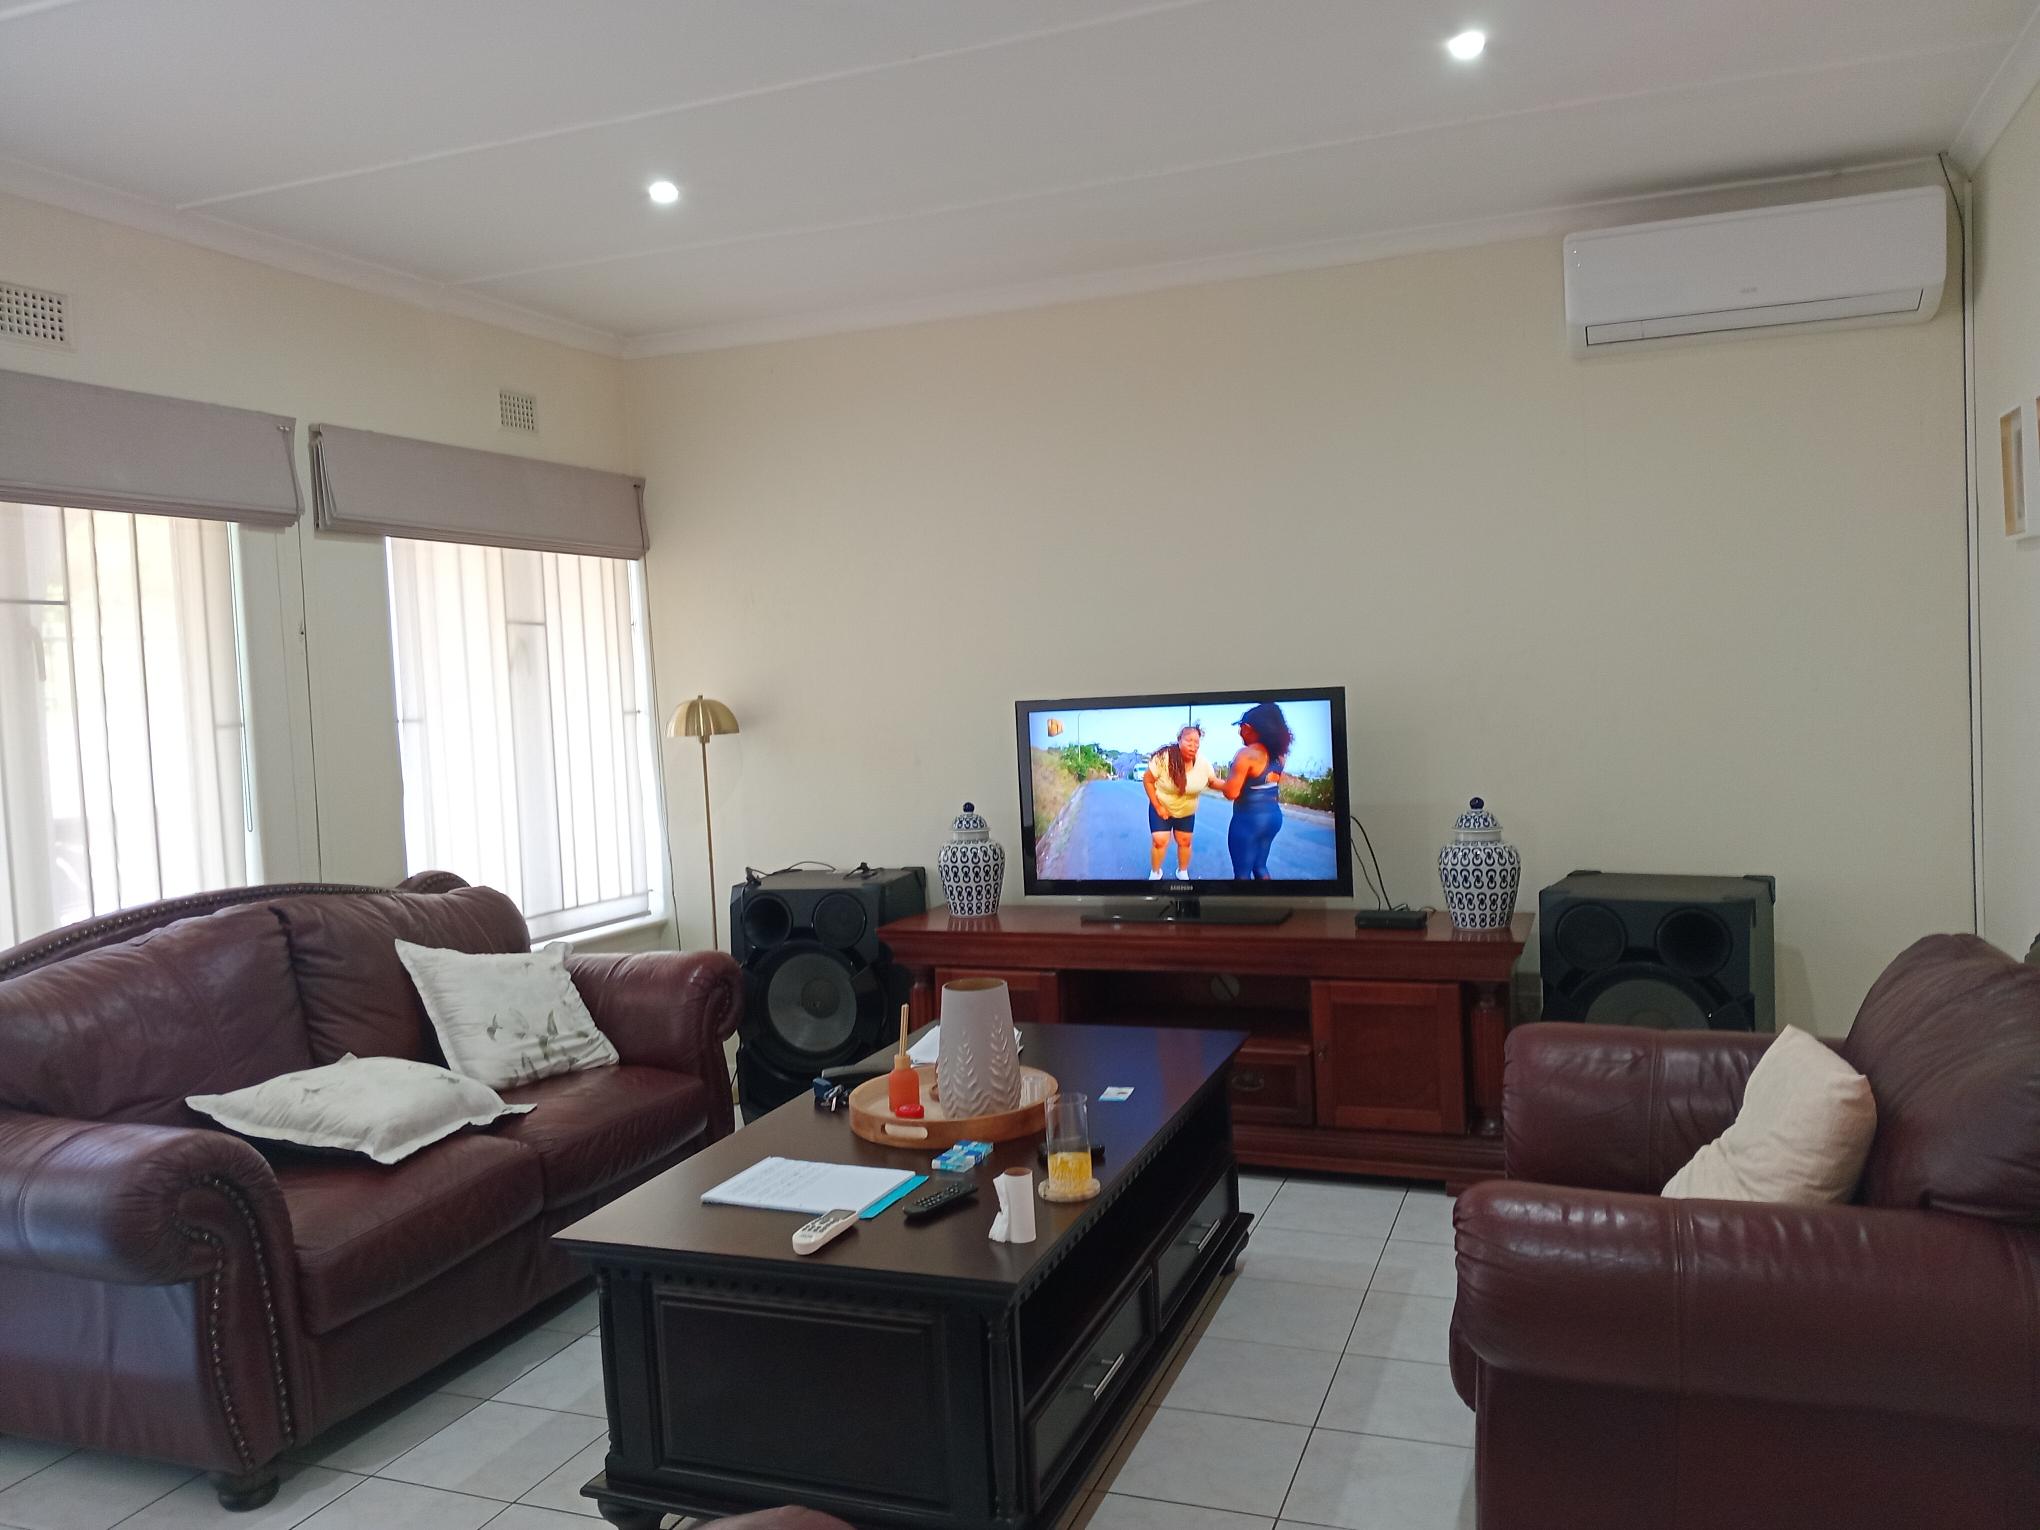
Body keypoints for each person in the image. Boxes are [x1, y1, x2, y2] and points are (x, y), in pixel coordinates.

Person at [1215, 701, 1295, 880]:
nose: (1239, 733)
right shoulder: (1280, 756)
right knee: (1260, 867)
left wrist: (1212, 782)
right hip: (1273, 818)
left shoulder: (1247, 754)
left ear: (1247, 728)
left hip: (1248, 820)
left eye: (1241, 728)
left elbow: (1231, 793)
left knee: (1242, 874)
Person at [1141, 724, 1222, 880]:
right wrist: (1158, 807)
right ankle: (1156, 872)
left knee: (1184, 841)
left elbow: (1212, 782)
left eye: (1196, 742)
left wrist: (1229, 786)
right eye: (1189, 741)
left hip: (1186, 810)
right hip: (1162, 806)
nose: (1193, 746)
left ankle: (1182, 871)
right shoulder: (1164, 758)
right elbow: (1148, 780)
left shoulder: (1203, 763)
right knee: (1159, 841)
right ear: (1179, 740)